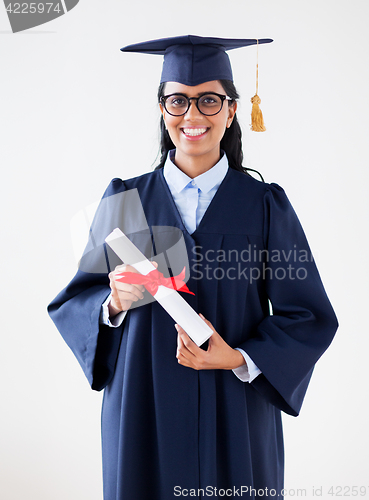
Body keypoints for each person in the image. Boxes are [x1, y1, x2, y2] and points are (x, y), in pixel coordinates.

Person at [48, 35, 338, 500]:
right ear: (162, 109)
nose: (193, 115)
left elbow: (307, 315)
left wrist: (240, 358)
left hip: (234, 407)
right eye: (178, 101)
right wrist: (113, 302)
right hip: (143, 406)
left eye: (208, 100)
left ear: (232, 110)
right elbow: (76, 302)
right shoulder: (125, 200)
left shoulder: (265, 205)